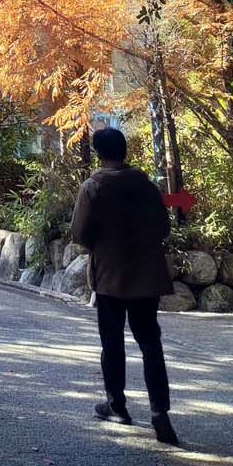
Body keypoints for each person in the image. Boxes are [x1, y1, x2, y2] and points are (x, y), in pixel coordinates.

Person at [69, 125, 180, 445]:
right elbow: (163, 227)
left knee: (112, 343)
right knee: (150, 344)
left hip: (110, 277)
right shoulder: (145, 185)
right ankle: (160, 412)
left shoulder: (93, 187)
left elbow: (79, 233)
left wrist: (100, 246)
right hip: (147, 276)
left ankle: (117, 405)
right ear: (124, 151)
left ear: (99, 154)